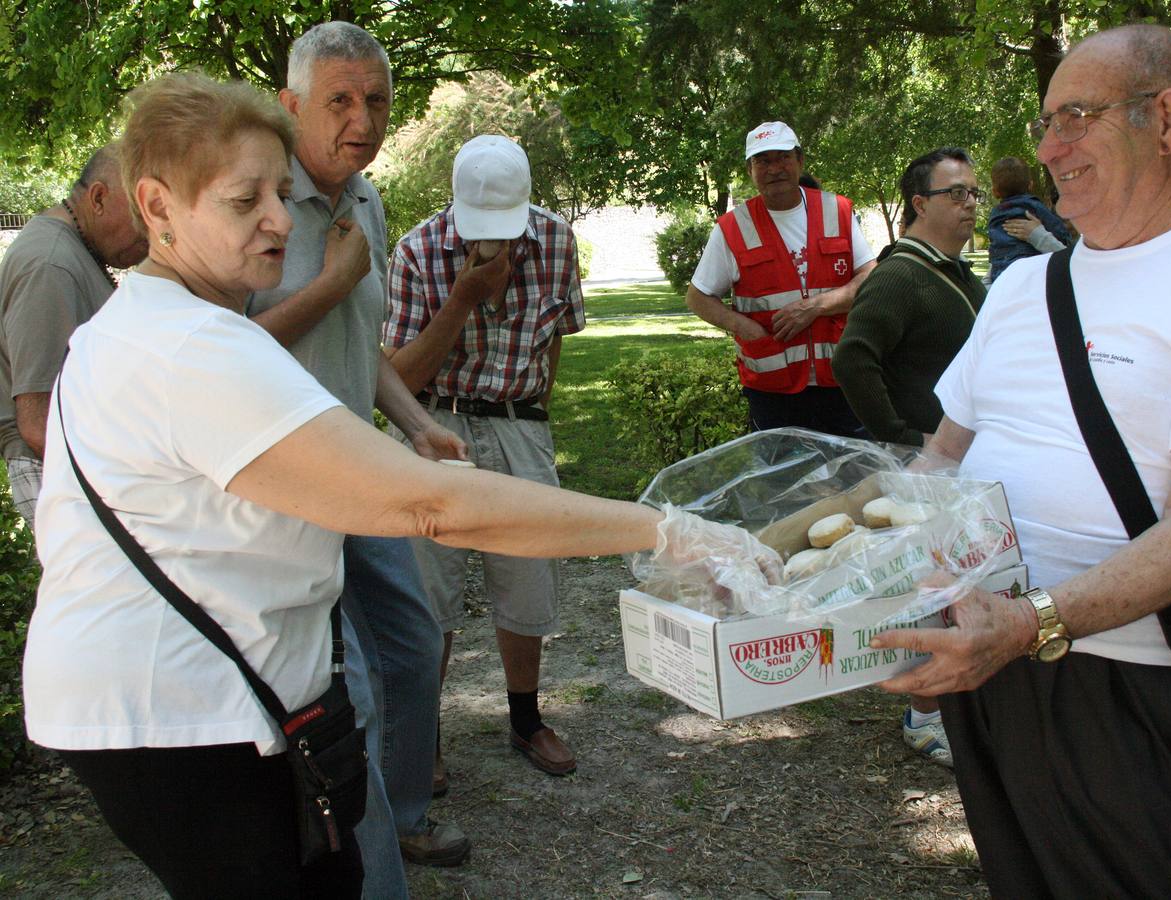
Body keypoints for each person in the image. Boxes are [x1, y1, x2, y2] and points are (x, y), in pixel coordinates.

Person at [22, 71, 778, 900]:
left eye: (281, 190)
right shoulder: (196, 348)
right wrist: (668, 530)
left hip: (163, 702)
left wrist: (414, 427)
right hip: (181, 716)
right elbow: (435, 505)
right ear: (157, 207)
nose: (280, 218)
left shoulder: (149, 324)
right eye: (246, 201)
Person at [870, 25, 1171, 896]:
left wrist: (1029, 622)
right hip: (988, 667)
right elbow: (943, 458)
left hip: (1127, 688)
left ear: (1168, 120)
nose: (1048, 147)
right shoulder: (1027, 283)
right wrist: (844, 571)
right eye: (1043, 123)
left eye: (1075, 117)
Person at [244, 21, 472, 887]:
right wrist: (333, 279)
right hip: (286, 492)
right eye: (339, 101)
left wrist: (414, 423)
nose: (362, 119)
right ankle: (378, 879)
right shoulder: (255, 199)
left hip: (360, 475)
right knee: (355, 701)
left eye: (376, 100)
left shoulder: (365, 198)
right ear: (291, 104)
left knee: (413, 649)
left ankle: (405, 818)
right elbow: (228, 352)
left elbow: (359, 345)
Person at [384, 135, 585, 780]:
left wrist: (531, 418)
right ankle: (425, 732)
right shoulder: (416, 252)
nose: (493, 240)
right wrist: (464, 296)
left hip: (519, 422)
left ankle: (526, 719)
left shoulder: (555, 240)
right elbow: (397, 379)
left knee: (528, 579)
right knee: (426, 590)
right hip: (432, 424)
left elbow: (555, 337)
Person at [830, 147, 987, 767]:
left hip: (956, 463)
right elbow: (853, 357)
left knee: (956, 579)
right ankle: (924, 716)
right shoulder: (901, 275)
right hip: (924, 462)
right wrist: (898, 436)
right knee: (927, 587)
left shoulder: (952, 272)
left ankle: (955, 700)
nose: (971, 203)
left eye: (975, 192)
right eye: (957, 193)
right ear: (920, 204)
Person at [685, 121, 875, 437]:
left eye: (782, 157)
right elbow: (697, 297)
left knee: (852, 474)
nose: (774, 168)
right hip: (773, 387)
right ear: (750, 170)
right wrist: (745, 327)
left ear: (800, 161)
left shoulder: (837, 210)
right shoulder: (733, 227)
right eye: (763, 161)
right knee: (780, 480)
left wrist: (815, 306)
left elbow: (870, 277)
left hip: (842, 377)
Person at [0, 144, 147, 528]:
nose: (153, 235)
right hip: (61, 476)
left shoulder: (72, 249)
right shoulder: (50, 263)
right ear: (99, 197)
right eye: (143, 217)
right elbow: (38, 423)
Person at [984, 156, 1071, 282]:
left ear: (995, 192)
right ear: (1030, 185)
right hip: (1031, 269)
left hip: (1001, 271)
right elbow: (1056, 227)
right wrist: (1064, 236)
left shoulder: (995, 214)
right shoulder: (1034, 206)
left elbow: (994, 241)